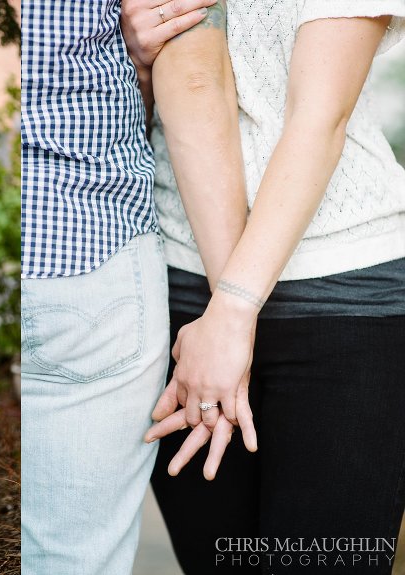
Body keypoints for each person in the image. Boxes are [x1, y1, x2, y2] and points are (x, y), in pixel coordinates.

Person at [124, 2, 405, 573]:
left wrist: (230, 314)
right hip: (187, 301)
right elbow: (189, 82)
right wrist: (140, 66)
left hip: (346, 298)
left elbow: (319, 118)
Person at [20, 1, 249, 573]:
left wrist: (129, 68)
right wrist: (233, 310)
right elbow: (194, 81)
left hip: (43, 251)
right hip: (89, 253)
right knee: (74, 556)